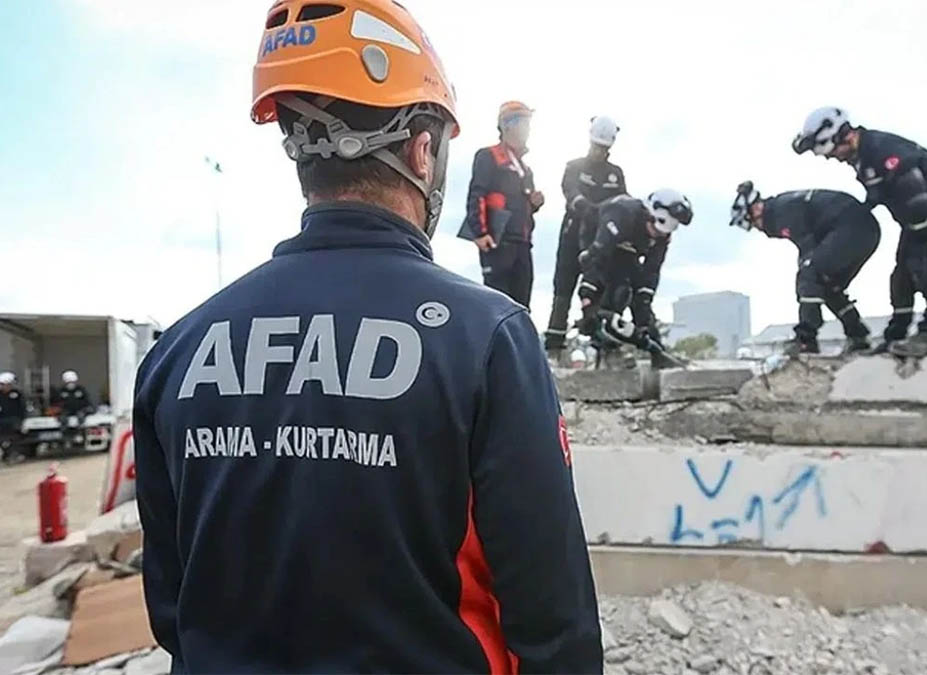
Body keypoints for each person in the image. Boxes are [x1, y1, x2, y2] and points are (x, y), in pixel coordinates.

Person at [133, 2, 601, 673]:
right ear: (422, 151)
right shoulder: (487, 339)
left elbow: (174, 609)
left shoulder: (177, 352)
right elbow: (554, 624)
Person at [793, 107, 927, 357]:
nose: (833, 158)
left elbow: (914, 191)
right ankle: (897, 335)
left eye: (833, 152)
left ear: (843, 136)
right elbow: (879, 194)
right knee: (901, 273)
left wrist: (924, 237)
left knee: (924, 260)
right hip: (914, 210)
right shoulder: (863, 158)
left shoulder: (880, 148)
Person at [730, 182, 880, 356]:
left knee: (809, 276)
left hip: (851, 227)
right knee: (828, 286)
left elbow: (808, 250)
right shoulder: (781, 208)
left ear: (756, 209)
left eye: (752, 223)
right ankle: (858, 336)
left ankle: (806, 340)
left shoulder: (782, 213)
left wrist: (806, 277)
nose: (756, 228)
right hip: (864, 230)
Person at [578, 189, 692, 370]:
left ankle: (658, 351)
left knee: (639, 299)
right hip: (593, 240)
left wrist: (644, 318)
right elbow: (595, 258)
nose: (656, 236)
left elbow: (651, 272)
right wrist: (587, 297)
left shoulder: (662, 236)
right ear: (648, 215)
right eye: (654, 230)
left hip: (626, 250)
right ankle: (608, 350)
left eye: (661, 233)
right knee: (617, 291)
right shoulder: (621, 214)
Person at [545, 116, 627, 363]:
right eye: (596, 146)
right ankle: (554, 348)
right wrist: (584, 206)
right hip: (572, 234)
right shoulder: (574, 167)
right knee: (563, 288)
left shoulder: (615, 174)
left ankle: (605, 347)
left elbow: (623, 203)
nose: (599, 151)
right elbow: (569, 190)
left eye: (603, 148)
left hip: (601, 239)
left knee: (599, 291)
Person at [459, 100, 544, 308]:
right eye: (524, 123)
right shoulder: (488, 156)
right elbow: (477, 193)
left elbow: (523, 206)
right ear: (508, 125)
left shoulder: (526, 169)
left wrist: (535, 203)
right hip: (498, 241)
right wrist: (480, 233)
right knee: (497, 304)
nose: (528, 129)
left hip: (523, 243)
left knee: (521, 306)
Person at [0, 372, 27, 460]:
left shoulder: (17, 394)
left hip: (15, 420)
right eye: (2, 384)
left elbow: (23, 408)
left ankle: (13, 453)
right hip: (0, 421)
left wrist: (23, 421)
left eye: (7, 385)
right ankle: (5, 452)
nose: (5, 387)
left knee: (18, 437)